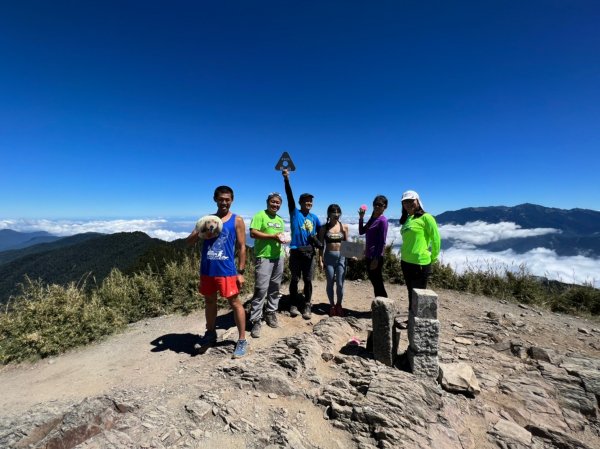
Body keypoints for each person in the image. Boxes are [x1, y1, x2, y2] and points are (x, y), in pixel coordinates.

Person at [187, 185, 248, 358]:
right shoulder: (207, 219)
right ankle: (210, 333)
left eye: (227, 199)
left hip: (227, 270)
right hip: (207, 269)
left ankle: (242, 339)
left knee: (235, 303)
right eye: (221, 199)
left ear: (232, 200)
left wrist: (241, 271)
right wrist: (201, 231)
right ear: (215, 199)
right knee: (210, 302)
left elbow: (242, 246)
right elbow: (189, 241)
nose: (224, 202)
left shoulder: (237, 220)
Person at [282, 168, 321, 319]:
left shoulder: (314, 218)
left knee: (308, 280)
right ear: (300, 202)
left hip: (309, 252)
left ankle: (307, 304)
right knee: (294, 278)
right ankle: (293, 303)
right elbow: (289, 195)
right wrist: (286, 180)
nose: (308, 202)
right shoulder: (294, 213)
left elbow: (320, 232)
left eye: (310, 201)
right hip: (296, 251)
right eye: (305, 201)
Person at [248, 192, 287, 338]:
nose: (275, 204)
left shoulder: (280, 220)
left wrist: (283, 239)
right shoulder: (260, 215)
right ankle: (256, 319)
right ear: (267, 202)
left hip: (279, 256)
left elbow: (279, 236)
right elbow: (253, 233)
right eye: (273, 202)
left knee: (275, 287)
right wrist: (272, 236)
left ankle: (271, 312)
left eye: (278, 203)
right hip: (263, 256)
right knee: (261, 288)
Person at [399, 190, 441, 310]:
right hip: (405, 262)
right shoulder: (408, 219)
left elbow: (436, 239)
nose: (408, 204)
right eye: (405, 202)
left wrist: (432, 258)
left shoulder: (427, 218)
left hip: (420, 263)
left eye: (411, 201)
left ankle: (418, 322)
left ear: (418, 201)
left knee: (419, 295)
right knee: (410, 292)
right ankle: (411, 317)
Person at [318, 204, 349, 317]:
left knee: (340, 284)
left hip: (341, 258)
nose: (336, 215)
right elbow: (321, 246)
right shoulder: (324, 228)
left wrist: (352, 255)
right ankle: (331, 306)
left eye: (338, 213)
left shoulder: (344, 227)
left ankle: (339, 305)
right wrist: (320, 260)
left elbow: (347, 244)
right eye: (333, 213)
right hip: (329, 258)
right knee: (330, 283)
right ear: (329, 214)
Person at [358, 195, 389, 298]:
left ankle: (384, 305)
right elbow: (361, 231)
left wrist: (376, 259)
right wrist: (361, 218)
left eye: (380, 205)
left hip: (375, 257)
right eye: (375, 204)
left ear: (385, 207)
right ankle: (379, 305)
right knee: (375, 282)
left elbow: (382, 242)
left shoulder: (382, 220)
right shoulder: (372, 219)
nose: (377, 207)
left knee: (377, 282)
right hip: (369, 255)